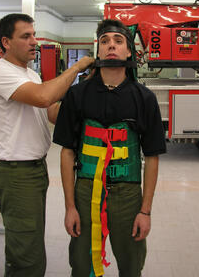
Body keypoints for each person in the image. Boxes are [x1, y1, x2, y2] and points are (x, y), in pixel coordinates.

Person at [0, 13, 94, 277]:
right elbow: (44, 98)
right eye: (26, 36)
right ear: (6, 42)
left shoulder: (29, 73)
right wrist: (76, 69)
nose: (34, 41)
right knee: (26, 258)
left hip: (33, 171)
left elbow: (51, 111)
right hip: (15, 175)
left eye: (34, 34)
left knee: (30, 242)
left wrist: (86, 95)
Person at [53, 19, 166, 277]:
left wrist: (145, 211)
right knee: (82, 265)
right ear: (98, 51)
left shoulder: (144, 98)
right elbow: (67, 152)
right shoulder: (77, 95)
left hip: (127, 195)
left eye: (118, 41)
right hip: (84, 193)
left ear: (129, 51)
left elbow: (152, 157)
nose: (111, 46)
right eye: (104, 41)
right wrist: (70, 206)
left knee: (131, 264)